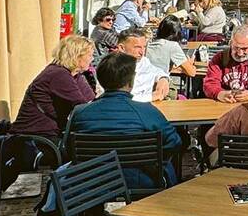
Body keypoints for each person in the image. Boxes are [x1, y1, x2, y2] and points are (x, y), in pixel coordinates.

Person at [64, 52, 182, 189]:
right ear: (130, 82)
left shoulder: (80, 113)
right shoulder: (146, 111)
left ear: (100, 80)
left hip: (92, 183)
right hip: (140, 182)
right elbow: (174, 142)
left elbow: (69, 147)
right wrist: (151, 159)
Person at [11, 35, 96, 141]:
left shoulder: (73, 74)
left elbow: (92, 102)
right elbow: (83, 108)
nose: (92, 59)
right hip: (35, 137)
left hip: (48, 134)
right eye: (89, 55)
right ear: (76, 56)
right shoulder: (58, 74)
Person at [204, 25, 248, 102]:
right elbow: (209, 83)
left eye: (244, 49)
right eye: (236, 48)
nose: (240, 53)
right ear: (231, 43)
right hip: (225, 104)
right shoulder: (219, 58)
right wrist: (219, 94)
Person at [116, 29, 170, 102]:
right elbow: (120, 98)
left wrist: (163, 78)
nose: (142, 52)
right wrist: (151, 97)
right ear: (122, 48)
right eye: (137, 47)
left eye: (144, 47)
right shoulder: (113, 67)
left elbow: (156, 70)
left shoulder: (143, 61)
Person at [148, 15, 197, 81]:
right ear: (177, 32)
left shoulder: (150, 43)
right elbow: (191, 73)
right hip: (160, 83)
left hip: (146, 82)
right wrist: (190, 64)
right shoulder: (173, 46)